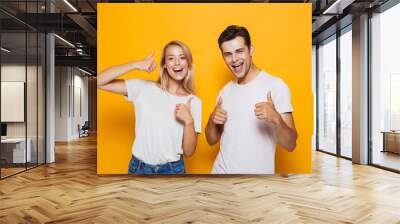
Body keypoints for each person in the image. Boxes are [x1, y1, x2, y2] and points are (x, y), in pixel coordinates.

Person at [97, 40, 202, 174]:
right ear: (164, 65)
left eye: (182, 57)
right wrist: (135, 65)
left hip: (173, 170)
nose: (177, 63)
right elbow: (99, 81)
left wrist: (189, 122)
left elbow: (189, 152)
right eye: (171, 58)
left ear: (188, 63)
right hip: (139, 168)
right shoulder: (144, 88)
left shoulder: (194, 102)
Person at [205, 25, 297, 174]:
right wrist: (211, 120)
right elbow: (211, 140)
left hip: (255, 182)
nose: (234, 59)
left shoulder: (275, 86)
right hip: (220, 176)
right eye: (227, 54)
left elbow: (291, 144)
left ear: (251, 50)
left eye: (239, 51)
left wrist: (276, 119)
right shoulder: (225, 90)